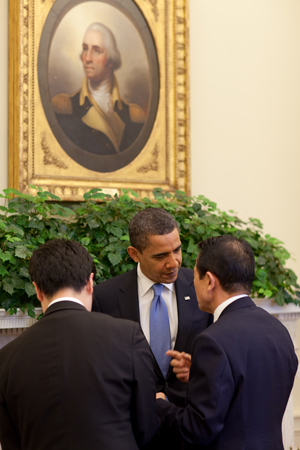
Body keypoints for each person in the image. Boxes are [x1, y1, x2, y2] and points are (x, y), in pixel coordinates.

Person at [0, 239, 160, 450]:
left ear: (37, 290)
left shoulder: (7, 358)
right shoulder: (126, 336)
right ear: (89, 283)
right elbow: (147, 425)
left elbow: (11, 441)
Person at [156, 235, 299, 450]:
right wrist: (200, 373)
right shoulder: (278, 329)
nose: (192, 283)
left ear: (210, 281)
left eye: (194, 276)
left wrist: (159, 404)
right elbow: (250, 391)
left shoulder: (212, 341)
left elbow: (197, 429)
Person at [92, 208, 213, 449]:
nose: (174, 262)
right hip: (131, 431)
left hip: (190, 428)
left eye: (177, 250)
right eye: (160, 256)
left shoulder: (201, 287)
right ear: (134, 254)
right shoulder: (104, 297)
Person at [51, 22, 146, 156]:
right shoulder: (65, 108)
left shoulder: (133, 115)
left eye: (96, 50)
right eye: (85, 48)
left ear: (111, 60)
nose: (87, 58)